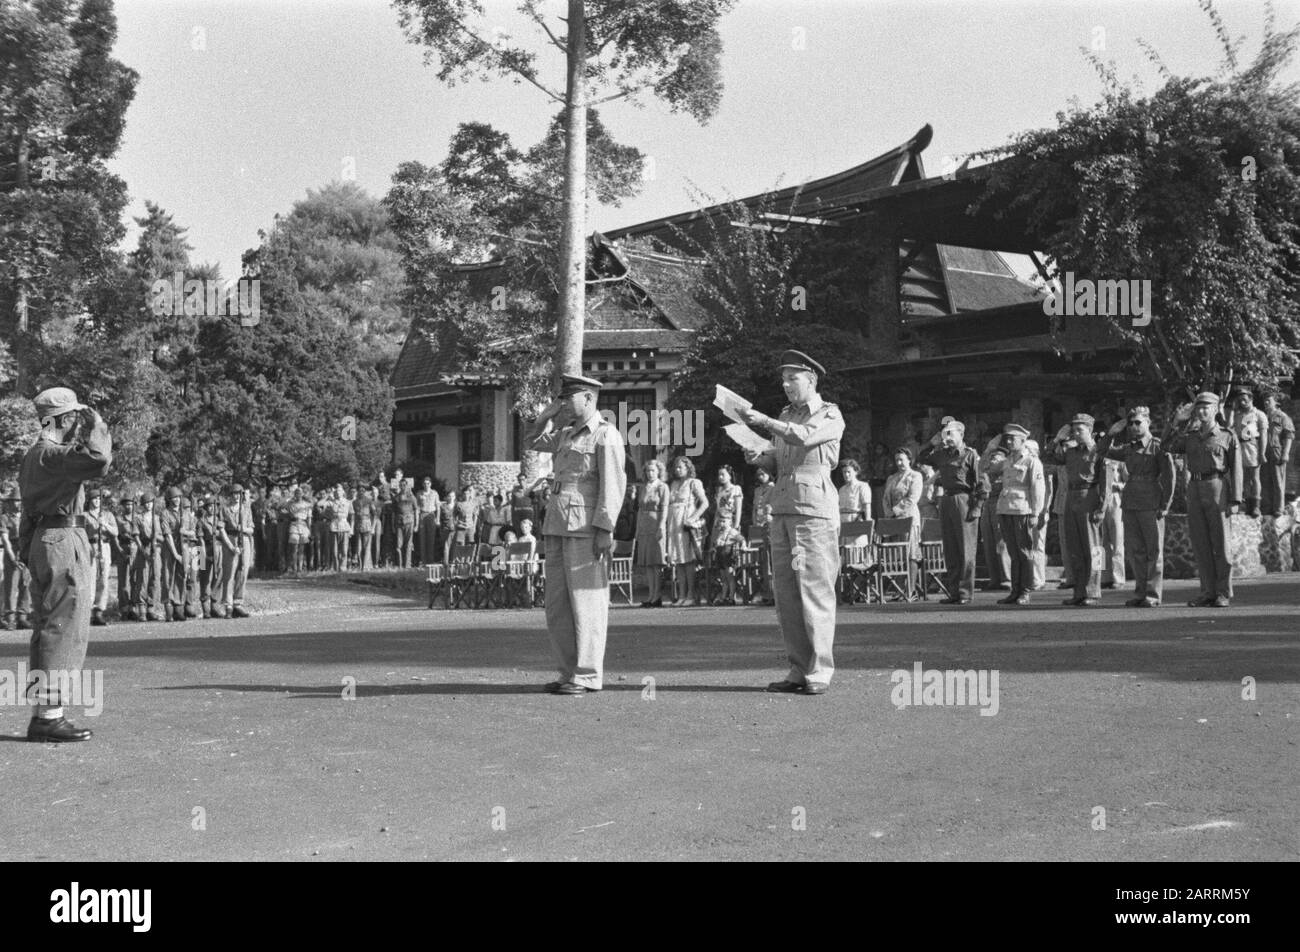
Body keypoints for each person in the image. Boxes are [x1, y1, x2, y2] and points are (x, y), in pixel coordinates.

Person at [740, 349, 844, 696]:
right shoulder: (787, 415)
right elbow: (781, 457)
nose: (785, 385)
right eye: (783, 379)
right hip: (784, 507)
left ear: (811, 379)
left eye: (792, 378)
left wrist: (766, 423)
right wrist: (760, 456)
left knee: (814, 589)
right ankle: (799, 668)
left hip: (813, 511)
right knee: (786, 593)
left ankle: (820, 670)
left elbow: (802, 437)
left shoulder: (829, 414)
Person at [17, 387, 112, 742]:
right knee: (64, 626)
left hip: (43, 539)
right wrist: (98, 425)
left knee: (48, 626)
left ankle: (45, 713)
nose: (76, 422)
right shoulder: (53, 454)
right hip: (63, 539)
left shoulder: (32, 456)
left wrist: (28, 549)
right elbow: (98, 461)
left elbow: (27, 510)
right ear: (63, 419)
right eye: (72, 417)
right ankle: (50, 717)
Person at [524, 373, 627, 696]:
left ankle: (587, 674)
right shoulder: (566, 433)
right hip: (557, 524)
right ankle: (568, 671)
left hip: (585, 529)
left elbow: (613, 485)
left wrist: (605, 529)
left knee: (588, 602)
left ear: (588, 398)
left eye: (568, 398)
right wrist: (546, 416)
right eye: (562, 398)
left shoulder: (605, 435)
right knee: (558, 605)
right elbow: (531, 441)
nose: (564, 403)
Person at [1165, 393, 1243, 607]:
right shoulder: (1190, 435)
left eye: (1206, 407)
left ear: (1216, 409)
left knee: (1221, 544)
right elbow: (1166, 447)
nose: (1201, 411)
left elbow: (1236, 469)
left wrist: (1235, 499)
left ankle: (1223, 593)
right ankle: (1207, 591)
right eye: (1198, 408)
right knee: (1201, 544)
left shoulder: (1227, 435)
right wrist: (1176, 422)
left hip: (1217, 487)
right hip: (1195, 488)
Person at [1097, 407, 1175, 607]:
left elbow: (1169, 477)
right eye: (1130, 423)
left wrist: (1165, 504)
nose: (1133, 426)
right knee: (1136, 551)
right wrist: (1112, 433)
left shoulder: (1157, 446)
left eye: (1137, 422)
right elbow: (1102, 451)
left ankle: (1153, 594)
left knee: (1153, 551)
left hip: (1151, 501)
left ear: (1148, 423)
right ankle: (1140, 593)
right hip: (1131, 501)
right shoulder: (1129, 448)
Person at [918, 419, 986, 605]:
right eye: (945, 433)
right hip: (946, 500)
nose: (947, 437)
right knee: (950, 548)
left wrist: (977, 508)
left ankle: (965, 593)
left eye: (951, 433)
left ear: (961, 435)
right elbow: (921, 458)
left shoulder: (970, 455)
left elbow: (982, 484)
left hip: (964, 499)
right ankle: (954, 591)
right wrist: (932, 443)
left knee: (966, 549)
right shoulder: (941, 454)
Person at [1048, 414, 1105, 607]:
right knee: (1075, 548)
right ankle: (1079, 591)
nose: (1076, 433)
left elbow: (1105, 482)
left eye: (1080, 429)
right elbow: (1048, 457)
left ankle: (1094, 590)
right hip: (1071, 498)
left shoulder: (1099, 452)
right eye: (1074, 430)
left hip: (1089, 496)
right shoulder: (1070, 452)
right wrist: (1058, 439)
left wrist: (1102, 507)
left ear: (1090, 431)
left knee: (1095, 548)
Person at [985, 424, 1045, 605]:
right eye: (1007, 439)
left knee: (1024, 552)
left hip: (1023, 509)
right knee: (1012, 552)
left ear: (1023, 440)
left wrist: (1036, 512)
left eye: (1013, 439)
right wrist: (990, 448)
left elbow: (1038, 489)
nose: (1009, 442)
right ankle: (1015, 590)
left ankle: (1025, 591)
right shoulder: (1007, 460)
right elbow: (985, 468)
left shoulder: (1031, 461)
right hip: (1005, 509)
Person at [664, 455, 709, 607]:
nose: (677, 470)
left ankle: (691, 594)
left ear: (688, 468)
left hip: (686, 523)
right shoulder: (673, 484)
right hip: (673, 523)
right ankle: (681, 595)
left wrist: (692, 518)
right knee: (678, 561)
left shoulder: (693, 483)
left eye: (681, 467)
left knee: (688, 560)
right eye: (676, 467)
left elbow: (705, 503)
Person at [978, 436, 1012, 590]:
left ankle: (1007, 577)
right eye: (991, 458)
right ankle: (994, 578)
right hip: (987, 506)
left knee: (1001, 543)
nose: (992, 460)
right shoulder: (986, 473)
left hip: (1000, 505)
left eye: (996, 458)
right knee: (989, 543)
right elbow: (980, 465)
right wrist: (989, 449)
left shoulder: (1006, 472)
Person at [634, 459, 669, 608]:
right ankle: (650, 595)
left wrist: (661, 526)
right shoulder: (643, 487)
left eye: (653, 470)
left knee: (656, 563)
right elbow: (639, 509)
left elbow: (665, 508)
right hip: (644, 526)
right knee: (647, 563)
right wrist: (637, 529)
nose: (650, 473)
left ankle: (657, 596)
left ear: (659, 471)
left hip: (656, 525)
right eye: (648, 471)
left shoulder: (662, 487)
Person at [1230, 389, 1268, 518]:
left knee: (1254, 477)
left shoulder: (1259, 414)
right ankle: (1247, 505)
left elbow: (1263, 435)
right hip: (1240, 447)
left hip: (1253, 447)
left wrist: (1262, 453)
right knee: (1243, 478)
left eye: (1245, 399)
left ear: (1251, 399)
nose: (1242, 402)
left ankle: (1256, 506)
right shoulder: (1238, 415)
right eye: (1240, 400)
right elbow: (1232, 430)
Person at [1, 483, 33, 630]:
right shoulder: (5, 518)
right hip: (12, 551)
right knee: (11, 586)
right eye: (14, 500)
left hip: (26, 550)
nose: (17, 503)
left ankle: (22, 616)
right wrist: (13, 558)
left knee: (26, 583)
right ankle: (10, 618)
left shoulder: (27, 517)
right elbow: (5, 539)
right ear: (9, 503)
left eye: (19, 500)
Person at [711, 465, 743, 606]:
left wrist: (735, 528)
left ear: (730, 475)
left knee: (729, 568)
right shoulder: (719, 491)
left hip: (730, 526)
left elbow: (738, 509)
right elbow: (717, 513)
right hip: (720, 526)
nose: (720, 477)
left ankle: (732, 596)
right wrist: (714, 532)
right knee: (721, 570)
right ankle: (723, 596)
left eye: (723, 474)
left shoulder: (736, 489)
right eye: (719, 475)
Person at [1261, 391, 1295, 518]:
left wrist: (1285, 453)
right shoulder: (1263, 417)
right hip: (1264, 452)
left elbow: (1289, 436)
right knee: (1265, 480)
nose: (1266, 403)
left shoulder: (1282, 417)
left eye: (1268, 400)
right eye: (1264, 401)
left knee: (1278, 481)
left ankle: (1278, 509)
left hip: (1277, 451)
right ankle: (1267, 507)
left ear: (1275, 402)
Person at [158, 486, 188, 622]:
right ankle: (168, 606)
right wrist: (176, 554)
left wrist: (185, 532)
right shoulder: (165, 513)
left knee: (181, 576)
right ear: (169, 499)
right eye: (173, 498)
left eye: (178, 497)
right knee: (167, 575)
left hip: (184, 546)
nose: (176, 500)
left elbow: (192, 530)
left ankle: (178, 606)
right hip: (169, 547)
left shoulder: (185, 513)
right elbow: (167, 535)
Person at [1098, 456, 1127, 589]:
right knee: (1099, 542)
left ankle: (1118, 578)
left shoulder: (1119, 461)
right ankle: (1100, 577)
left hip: (1115, 499)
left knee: (1117, 540)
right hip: (1098, 500)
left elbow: (1128, 481)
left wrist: (1115, 485)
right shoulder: (1094, 458)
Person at [751, 467, 775, 604]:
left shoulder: (774, 488)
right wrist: (755, 522)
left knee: (771, 559)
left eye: (763, 474)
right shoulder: (757, 490)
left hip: (770, 525)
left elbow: (772, 506)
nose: (760, 476)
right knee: (764, 561)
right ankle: (767, 593)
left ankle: (774, 593)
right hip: (759, 526)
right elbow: (755, 508)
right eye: (758, 474)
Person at [114, 495, 138, 620]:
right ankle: (124, 608)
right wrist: (120, 551)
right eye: (126, 504)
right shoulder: (118, 519)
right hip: (123, 548)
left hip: (135, 548)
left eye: (131, 504)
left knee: (135, 580)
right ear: (123, 506)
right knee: (123, 581)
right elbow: (115, 536)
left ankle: (133, 607)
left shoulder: (137, 518)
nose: (129, 506)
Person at [837, 459, 871, 526]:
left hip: (857, 523)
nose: (846, 474)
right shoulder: (841, 490)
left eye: (849, 472)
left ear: (856, 472)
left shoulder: (862, 486)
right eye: (844, 472)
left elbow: (866, 506)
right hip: (843, 524)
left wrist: (867, 523)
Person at [287, 486, 312, 575]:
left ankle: (300, 568)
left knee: (302, 548)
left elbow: (309, 518)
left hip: (303, 525)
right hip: (294, 525)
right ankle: (294, 568)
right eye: (296, 493)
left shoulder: (307, 505)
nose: (298, 495)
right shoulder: (291, 505)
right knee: (294, 547)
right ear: (295, 494)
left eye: (300, 493)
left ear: (302, 494)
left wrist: (309, 530)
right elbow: (288, 513)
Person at [416, 477, 440, 566]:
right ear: (423, 484)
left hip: (431, 515)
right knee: (422, 539)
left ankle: (430, 561)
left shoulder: (434, 493)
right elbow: (417, 508)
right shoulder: (419, 493)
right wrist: (417, 521)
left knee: (431, 539)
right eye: (425, 483)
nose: (426, 485)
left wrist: (437, 519)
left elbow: (438, 507)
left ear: (431, 484)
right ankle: (423, 561)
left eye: (428, 483)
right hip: (422, 515)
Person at [330, 484, 352, 571]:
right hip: (334, 525)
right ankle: (336, 567)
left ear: (343, 492)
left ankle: (343, 567)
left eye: (339, 491)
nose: (338, 493)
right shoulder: (332, 502)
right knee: (335, 550)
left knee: (344, 549)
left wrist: (352, 529)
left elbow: (352, 516)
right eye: (336, 491)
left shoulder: (348, 502)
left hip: (344, 525)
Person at [354, 485, 377, 571]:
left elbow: (375, 514)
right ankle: (360, 566)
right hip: (358, 525)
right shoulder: (354, 502)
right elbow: (355, 516)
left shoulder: (369, 501)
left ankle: (366, 566)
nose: (361, 492)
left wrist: (373, 527)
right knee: (359, 547)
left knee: (366, 546)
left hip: (367, 523)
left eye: (363, 491)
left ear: (365, 492)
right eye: (360, 490)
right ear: (358, 491)